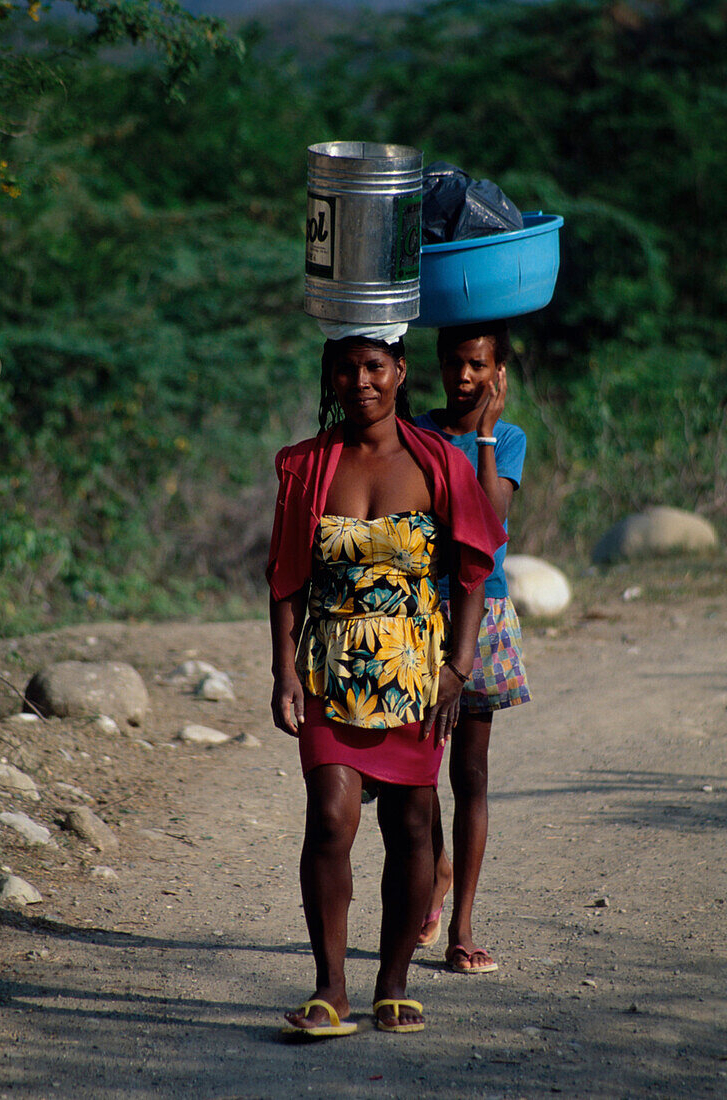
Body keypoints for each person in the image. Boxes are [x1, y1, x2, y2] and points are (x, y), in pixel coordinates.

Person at [267, 327, 506, 1037]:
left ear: (400, 371)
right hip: (327, 670)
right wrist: (283, 673)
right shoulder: (307, 467)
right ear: (330, 377)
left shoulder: (438, 463)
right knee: (331, 819)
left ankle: (393, 982)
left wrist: (458, 669)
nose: (360, 381)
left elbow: (472, 570)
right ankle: (330, 988)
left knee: (409, 826)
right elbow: (284, 579)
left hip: (415, 673)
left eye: (374, 366)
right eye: (345, 368)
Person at [414, 320, 531, 973]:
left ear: (498, 373)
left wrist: (484, 434)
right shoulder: (417, 433)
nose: (464, 377)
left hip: (479, 613)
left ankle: (461, 928)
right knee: (417, 773)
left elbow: (486, 525)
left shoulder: (507, 439)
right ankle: (434, 876)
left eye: (478, 366)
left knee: (471, 775)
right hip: (419, 616)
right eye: (455, 363)